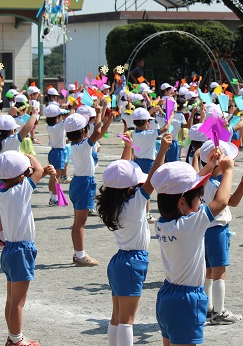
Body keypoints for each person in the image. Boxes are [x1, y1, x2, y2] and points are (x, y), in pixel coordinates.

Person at [151, 153, 233, 346]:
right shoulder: (191, 225)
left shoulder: (161, 223)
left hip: (166, 296)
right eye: (198, 197)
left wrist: (209, 167)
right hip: (187, 300)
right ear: (182, 202)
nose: (200, 201)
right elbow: (221, 202)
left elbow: (183, 189)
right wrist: (228, 170)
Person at [97, 134, 171, 346]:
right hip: (133, 262)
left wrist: (129, 146)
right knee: (128, 321)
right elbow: (153, 177)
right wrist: (162, 151)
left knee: (117, 316)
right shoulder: (136, 202)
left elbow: (121, 173)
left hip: (119, 261)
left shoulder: (114, 205)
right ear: (131, 187)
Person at [0, 151, 54, 346]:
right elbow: (36, 169)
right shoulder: (21, 190)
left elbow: (35, 172)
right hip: (21, 250)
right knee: (18, 303)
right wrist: (28, 155)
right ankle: (17, 340)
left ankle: (13, 336)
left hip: (10, 249)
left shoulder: (2, 191)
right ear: (22, 177)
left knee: (11, 300)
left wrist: (39, 171)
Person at [196, 140, 243, 325]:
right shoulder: (213, 183)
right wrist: (240, 181)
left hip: (203, 229)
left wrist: (242, 183)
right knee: (220, 271)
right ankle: (219, 312)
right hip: (216, 229)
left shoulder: (202, 179)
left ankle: (208, 307)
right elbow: (231, 202)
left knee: (209, 270)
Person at [65, 108, 114, 267]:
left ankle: (78, 253)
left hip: (78, 182)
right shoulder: (85, 144)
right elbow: (98, 132)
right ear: (84, 130)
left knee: (77, 222)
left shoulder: (75, 144)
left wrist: (102, 113)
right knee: (80, 223)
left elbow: (96, 132)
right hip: (84, 183)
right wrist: (107, 118)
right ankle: (80, 255)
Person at [0, 113, 38, 250]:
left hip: (1, 178)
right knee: (17, 210)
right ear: (12, 131)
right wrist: (35, 114)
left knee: (3, 210)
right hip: (14, 177)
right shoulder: (11, 141)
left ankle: (2, 239)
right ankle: (12, 237)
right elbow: (26, 129)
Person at [44, 104, 68, 206]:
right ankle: (54, 199)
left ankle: (52, 197)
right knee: (56, 178)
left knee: (52, 177)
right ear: (57, 117)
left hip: (53, 152)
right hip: (59, 153)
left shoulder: (50, 127)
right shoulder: (59, 126)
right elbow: (68, 118)